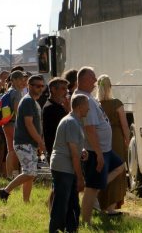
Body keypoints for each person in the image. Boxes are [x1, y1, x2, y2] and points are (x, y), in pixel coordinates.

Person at [74, 67, 125, 225]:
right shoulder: (84, 99)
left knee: (120, 166)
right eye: (92, 78)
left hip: (105, 148)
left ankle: (98, 188)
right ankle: (86, 222)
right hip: (96, 150)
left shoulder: (88, 96)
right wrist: (98, 153)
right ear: (83, 80)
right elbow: (89, 129)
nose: (95, 81)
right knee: (91, 188)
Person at [0, 75, 46, 203]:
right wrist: (40, 142)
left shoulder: (33, 102)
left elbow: (36, 125)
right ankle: (5, 191)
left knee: (29, 173)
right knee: (30, 173)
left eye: (42, 86)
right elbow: (28, 124)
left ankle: (26, 201)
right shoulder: (28, 101)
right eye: (37, 86)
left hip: (30, 143)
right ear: (29, 86)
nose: (40, 88)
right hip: (24, 142)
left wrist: (38, 141)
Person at [49, 94, 88, 233]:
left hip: (66, 167)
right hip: (64, 168)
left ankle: (71, 229)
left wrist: (82, 150)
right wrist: (80, 177)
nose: (88, 109)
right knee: (61, 203)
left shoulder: (75, 121)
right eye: (87, 106)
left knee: (72, 203)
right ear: (79, 106)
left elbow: (75, 147)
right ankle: (56, 229)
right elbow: (73, 153)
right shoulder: (71, 122)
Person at [96, 74, 130, 215]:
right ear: (110, 87)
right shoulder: (117, 103)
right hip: (115, 138)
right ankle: (111, 206)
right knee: (118, 170)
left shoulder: (95, 104)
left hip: (100, 139)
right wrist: (127, 141)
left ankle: (100, 203)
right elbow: (125, 126)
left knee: (104, 169)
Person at [3, 70, 27, 179]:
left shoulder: (8, 91)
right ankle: (15, 175)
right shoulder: (16, 92)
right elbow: (17, 110)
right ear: (16, 80)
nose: (23, 82)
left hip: (6, 123)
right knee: (16, 151)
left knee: (10, 151)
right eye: (22, 79)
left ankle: (10, 175)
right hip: (13, 124)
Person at [43, 77, 70, 164]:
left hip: (61, 152)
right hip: (58, 153)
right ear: (53, 89)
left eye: (66, 89)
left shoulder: (59, 107)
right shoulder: (51, 108)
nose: (66, 92)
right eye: (63, 89)